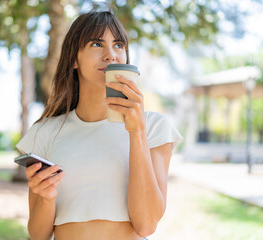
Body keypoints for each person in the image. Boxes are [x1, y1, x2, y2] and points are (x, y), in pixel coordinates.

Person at [16, 9, 183, 240]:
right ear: (74, 59)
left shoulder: (154, 127)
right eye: (96, 44)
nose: (110, 55)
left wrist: (137, 132)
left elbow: (146, 225)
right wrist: (46, 197)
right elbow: (38, 235)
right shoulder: (45, 133)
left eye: (118, 45)